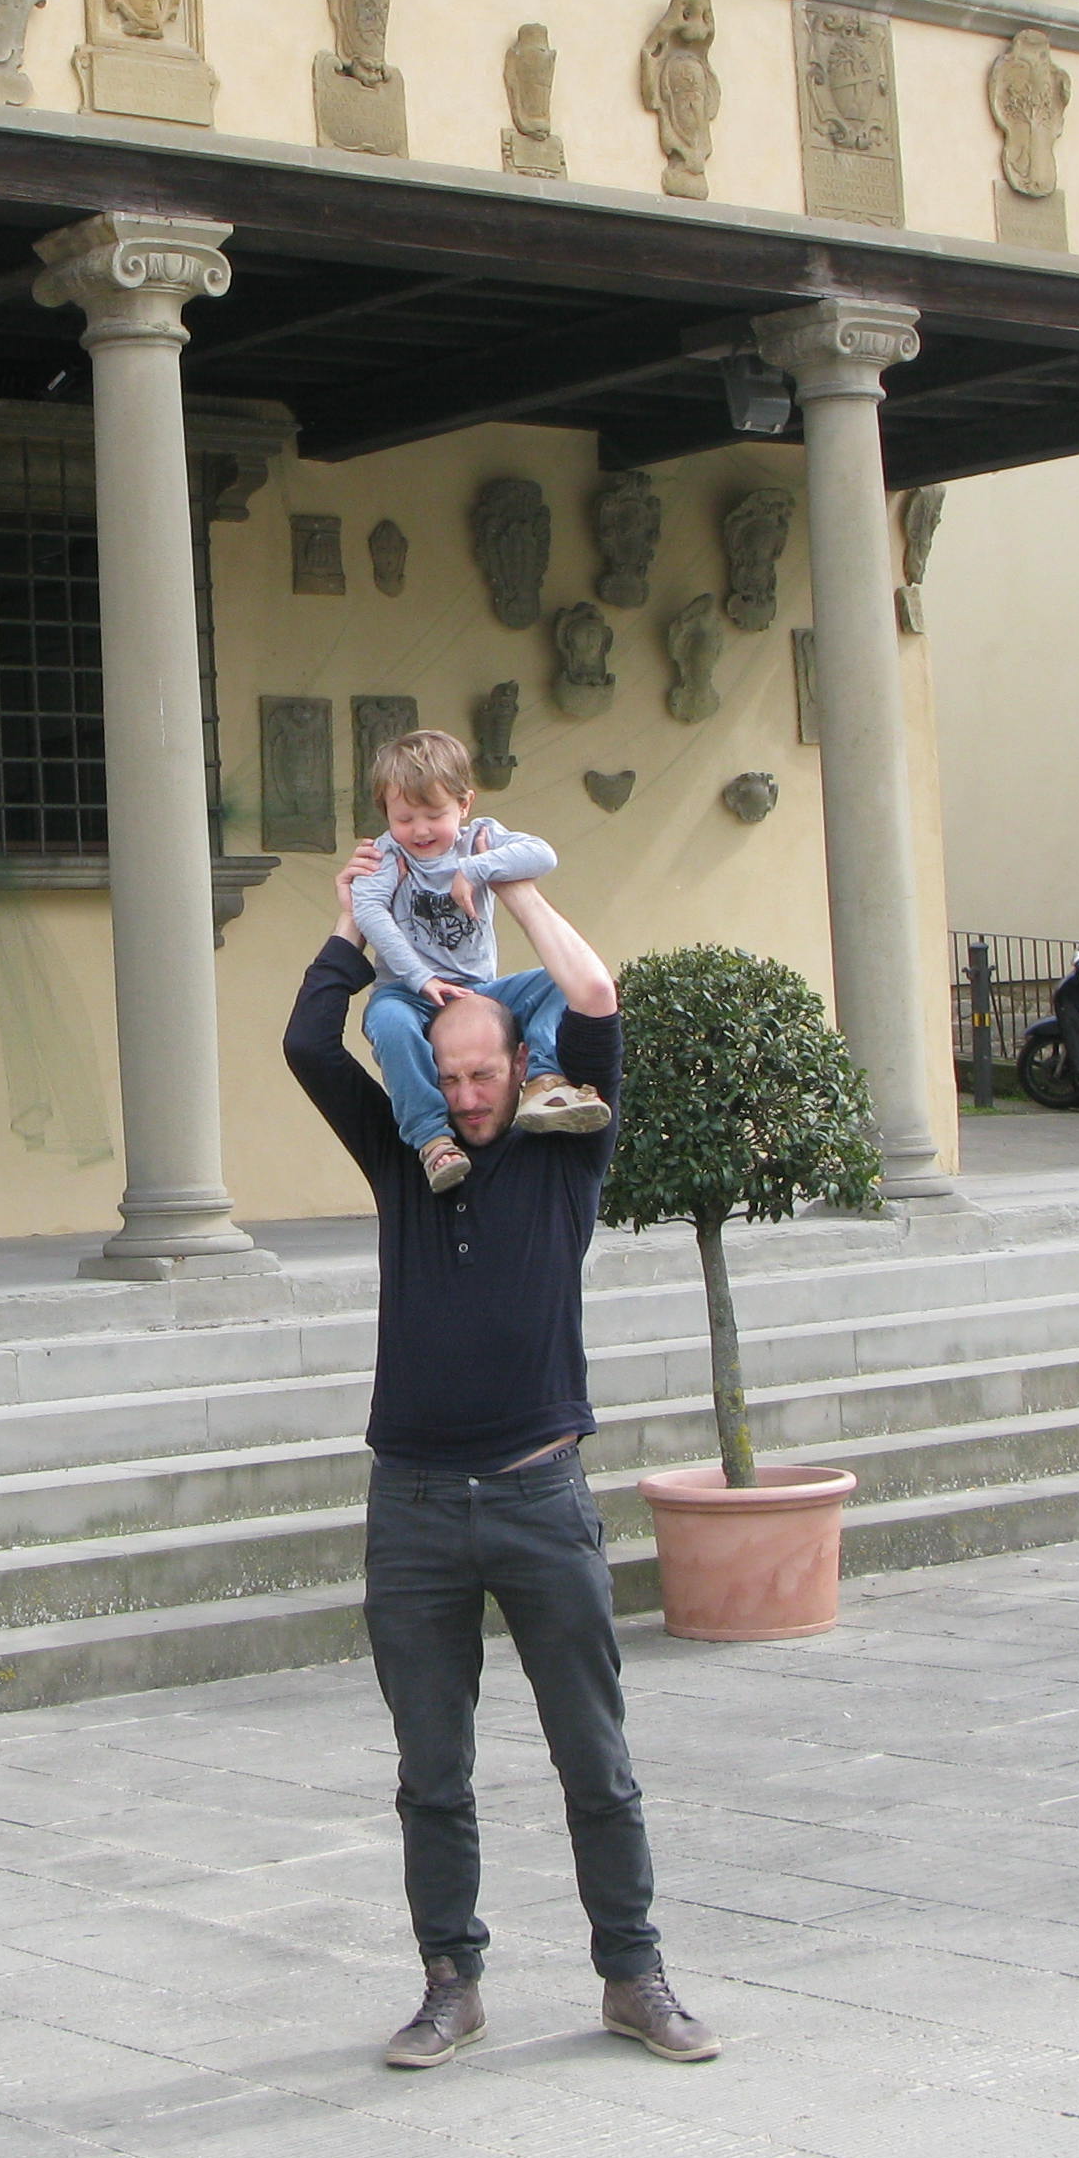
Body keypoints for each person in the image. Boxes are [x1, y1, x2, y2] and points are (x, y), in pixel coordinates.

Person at [283, 849, 719, 2071]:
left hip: (541, 1496)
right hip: (413, 1504)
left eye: (484, 1074)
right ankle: (449, 1985)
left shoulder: (566, 1150)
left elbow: (594, 1000)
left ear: (519, 1065)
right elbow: (310, 1046)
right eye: (450, 1076)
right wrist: (355, 926)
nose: (468, 1095)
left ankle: (633, 1976)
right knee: (431, 1770)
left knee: (596, 1762)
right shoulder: (404, 1156)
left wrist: (511, 886)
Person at [346, 728, 611, 1194]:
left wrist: (476, 868)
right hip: (409, 993)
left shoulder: (479, 839)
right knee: (387, 1023)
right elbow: (368, 912)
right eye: (404, 818)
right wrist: (420, 978)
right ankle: (432, 1139)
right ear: (385, 812)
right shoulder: (385, 854)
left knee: (560, 982)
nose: (420, 831)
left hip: (478, 994)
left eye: (435, 815)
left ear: (464, 804)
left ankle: (543, 1081)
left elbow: (542, 855)